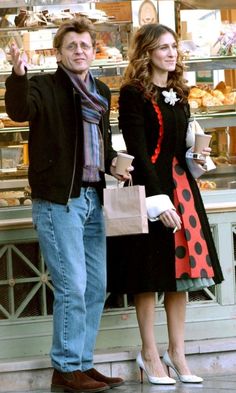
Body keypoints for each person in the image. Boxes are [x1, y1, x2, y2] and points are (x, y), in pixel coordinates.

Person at [5, 17, 128, 393]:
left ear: (94, 51)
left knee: (95, 286)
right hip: (60, 202)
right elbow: (19, 110)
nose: (79, 51)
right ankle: (65, 369)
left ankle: (82, 363)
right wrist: (17, 74)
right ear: (58, 53)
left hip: (93, 197)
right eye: (71, 46)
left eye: (85, 46)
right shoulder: (44, 86)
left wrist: (115, 166)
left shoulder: (102, 92)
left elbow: (102, 144)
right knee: (73, 285)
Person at [107, 23, 224, 385]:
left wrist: (197, 155)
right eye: (162, 47)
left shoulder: (178, 92)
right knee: (149, 276)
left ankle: (177, 354)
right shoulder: (132, 94)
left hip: (183, 188)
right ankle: (150, 354)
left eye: (173, 46)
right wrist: (157, 200)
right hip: (151, 189)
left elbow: (180, 145)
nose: (171, 53)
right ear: (147, 53)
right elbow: (139, 150)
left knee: (182, 274)